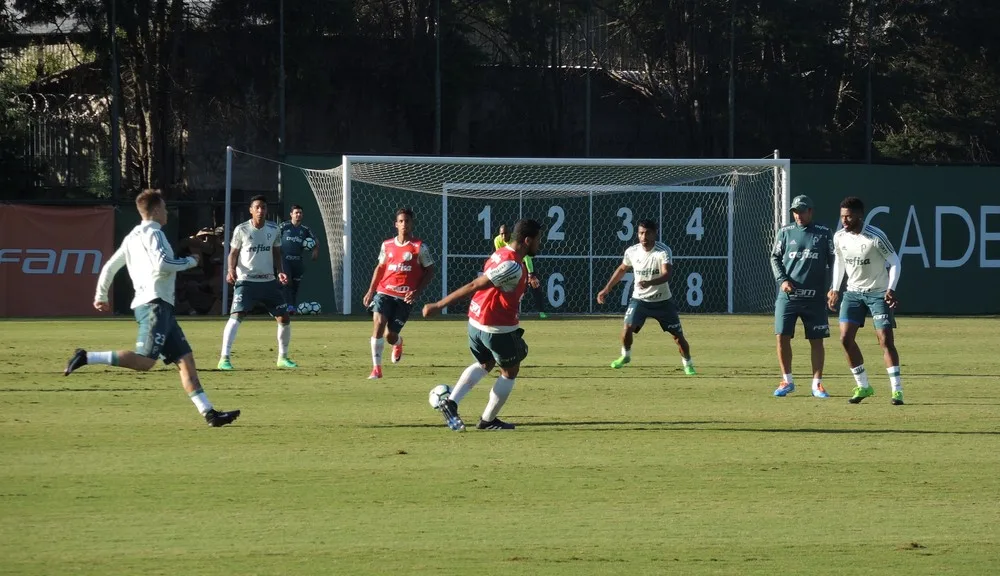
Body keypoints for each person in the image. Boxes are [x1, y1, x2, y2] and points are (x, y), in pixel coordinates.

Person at [63, 189, 240, 427]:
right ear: (156, 210)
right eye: (165, 208)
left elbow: (110, 267)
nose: (166, 212)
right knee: (145, 361)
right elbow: (162, 263)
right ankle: (87, 356)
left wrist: (100, 294)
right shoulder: (154, 233)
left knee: (185, 359)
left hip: (160, 306)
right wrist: (190, 261)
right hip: (154, 305)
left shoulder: (132, 236)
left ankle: (209, 413)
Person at [423, 218, 543, 431]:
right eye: (538, 240)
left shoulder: (501, 254)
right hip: (495, 327)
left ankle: (451, 402)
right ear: (527, 240)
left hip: (475, 321)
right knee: (510, 371)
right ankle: (488, 420)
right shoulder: (512, 266)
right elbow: (475, 284)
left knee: (485, 364)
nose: (539, 244)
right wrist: (438, 305)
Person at [828, 196, 903, 405]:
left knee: (885, 340)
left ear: (860, 216)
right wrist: (834, 289)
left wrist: (891, 288)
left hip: (878, 293)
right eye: (842, 216)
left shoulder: (875, 237)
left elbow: (895, 261)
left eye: (849, 216)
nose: (845, 220)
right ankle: (863, 386)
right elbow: (839, 263)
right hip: (853, 293)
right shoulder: (839, 237)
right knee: (845, 339)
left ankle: (897, 391)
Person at [597, 219, 695, 374]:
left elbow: (666, 274)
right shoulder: (632, 251)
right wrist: (606, 289)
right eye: (641, 233)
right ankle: (625, 356)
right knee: (627, 328)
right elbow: (622, 269)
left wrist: (649, 282)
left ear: (655, 233)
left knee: (678, 337)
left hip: (663, 302)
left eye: (648, 233)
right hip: (640, 300)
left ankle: (688, 363)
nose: (644, 237)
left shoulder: (663, 251)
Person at [218, 195, 297, 370]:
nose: (261, 211)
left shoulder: (273, 229)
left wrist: (280, 271)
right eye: (257, 207)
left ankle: (283, 358)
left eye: (264, 207)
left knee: (284, 317)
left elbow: (276, 253)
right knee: (236, 316)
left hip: (268, 281)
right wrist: (231, 270)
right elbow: (233, 254)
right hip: (247, 281)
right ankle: (224, 358)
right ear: (251, 210)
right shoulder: (242, 229)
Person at [770, 195, 836, 398]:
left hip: (814, 297)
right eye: (795, 211)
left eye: (802, 211)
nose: (798, 215)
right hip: (788, 297)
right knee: (782, 336)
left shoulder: (824, 233)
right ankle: (786, 380)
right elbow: (775, 257)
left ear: (811, 211)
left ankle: (817, 384)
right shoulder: (785, 232)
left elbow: (835, 261)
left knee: (817, 340)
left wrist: (834, 287)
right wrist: (782, 280)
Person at [362, 208, 435, 379]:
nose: (404, 224)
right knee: (379, 323)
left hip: (404, 298)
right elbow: (380, 268)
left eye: (407, 221)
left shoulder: (419, 247)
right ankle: (376, 369)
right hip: (384, 291)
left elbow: (430, 270)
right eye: (401, 221)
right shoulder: (387, 245)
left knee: (390, 335)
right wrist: (371, 291)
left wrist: (416, 292)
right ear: (396, 224)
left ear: (412, 224)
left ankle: (398, 342)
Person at [494, 223, 548, 319]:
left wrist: (531, 274)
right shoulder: (497, 240)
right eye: (501, 234)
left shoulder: (516, 240)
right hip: (510, 265)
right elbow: (501, 255)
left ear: (510, 233)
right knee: (509, 288)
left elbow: (527, 257)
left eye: (506, 233)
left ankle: (542, 312)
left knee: (535, 286)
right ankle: (507, 311)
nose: (503, 236)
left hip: (524, 263)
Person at [279, 204, 320, 314]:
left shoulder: (305, 229)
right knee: (286, 282)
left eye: (300, 213)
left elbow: (315, 240)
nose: (298, 215)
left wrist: (315, 251)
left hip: (297, 261)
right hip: (284, 259)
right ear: (291, 214)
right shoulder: (284, 226)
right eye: (296, 212)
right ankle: (286, 306)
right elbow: (274, 237)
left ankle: (292, 306)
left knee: (295, 285)